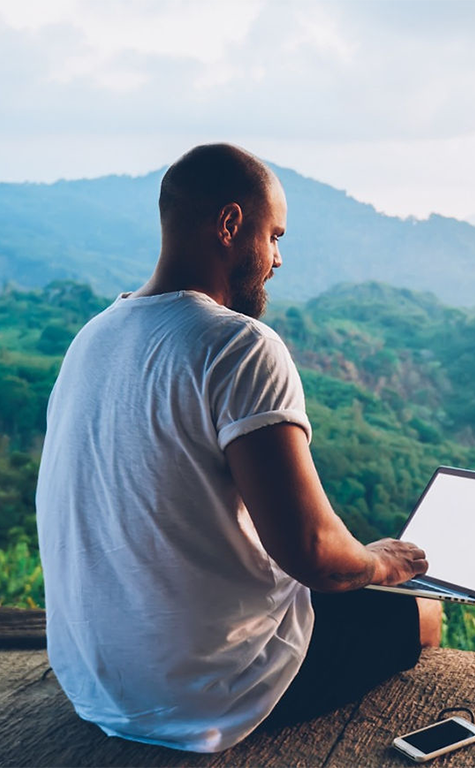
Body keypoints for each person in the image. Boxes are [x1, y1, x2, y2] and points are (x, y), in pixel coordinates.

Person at [35, 143, 443, 753]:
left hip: (93, 683)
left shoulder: (93, 337)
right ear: (230, 224)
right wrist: (381, 562)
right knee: (424, 614)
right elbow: (312, 552)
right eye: (274, 236)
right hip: (199, 694)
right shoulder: (239, 345)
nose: (277, 259)